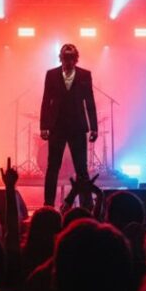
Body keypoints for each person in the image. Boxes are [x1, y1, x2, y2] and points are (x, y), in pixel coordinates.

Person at [39, 44, 99, 208]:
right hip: (57, 126)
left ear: (76, 58)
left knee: (81, 167)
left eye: (71, 57)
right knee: (53, 167)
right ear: (61, 58)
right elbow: (45, 101)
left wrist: (94, 127)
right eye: (66, 57)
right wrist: (43, 126)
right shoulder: (51, 74)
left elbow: (90, 102)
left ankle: (86, 204)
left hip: (77, 126)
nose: (69, 61)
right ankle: (48, 204)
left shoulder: (84, 75)